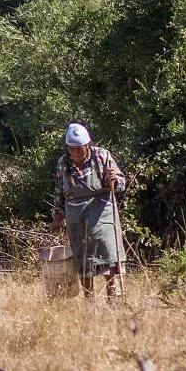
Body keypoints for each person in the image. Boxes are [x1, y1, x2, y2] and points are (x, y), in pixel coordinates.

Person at [51, 123, 127, 298]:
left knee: (109, 254)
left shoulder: (102, 156)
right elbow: (59, 191)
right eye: (72, 149)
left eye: (80, 149)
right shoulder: (64, 163)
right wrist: (58, 216)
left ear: (88, 145)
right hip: (77, 217)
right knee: (83, 258)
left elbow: (120, 183)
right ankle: (89, 298)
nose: (76, 153)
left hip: (102, 212)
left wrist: (113, 180)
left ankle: (113, 295)